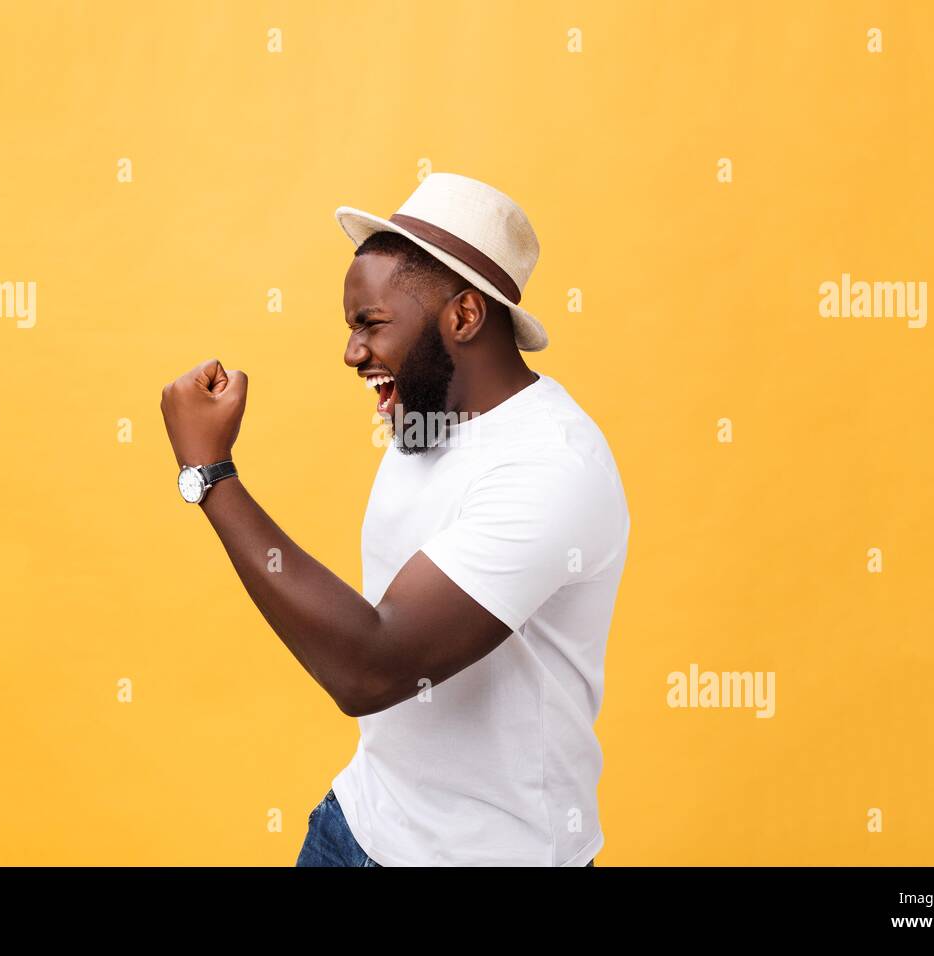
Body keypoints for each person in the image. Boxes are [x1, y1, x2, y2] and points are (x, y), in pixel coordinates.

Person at [160, 173, 629, 866]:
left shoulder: (552, 468)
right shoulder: (425, 416)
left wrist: (212, 476)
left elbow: (373, 669)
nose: (352, 353)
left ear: (464, 317)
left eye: (371, 325)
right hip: (357, 826)